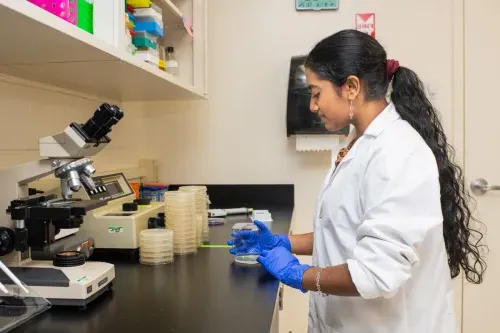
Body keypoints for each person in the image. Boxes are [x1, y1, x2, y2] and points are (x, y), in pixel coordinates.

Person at [228, 29, 487, 333]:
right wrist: (285, 242)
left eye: (316, 93)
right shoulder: (358, 143)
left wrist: (299, 274)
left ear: (351, 86)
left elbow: (376, 273)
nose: (313, 106)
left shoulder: (397, 153)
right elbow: (346, 228)